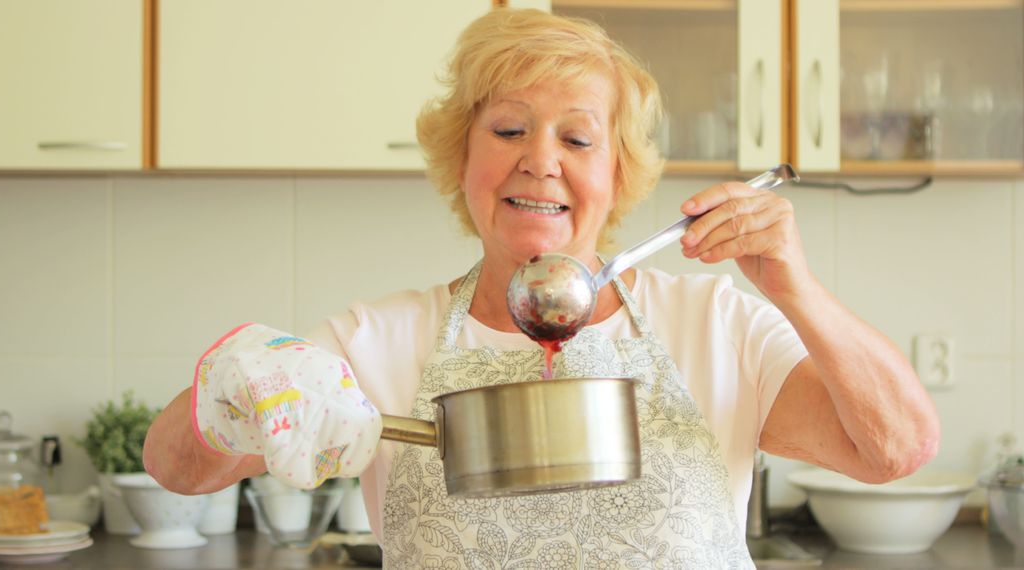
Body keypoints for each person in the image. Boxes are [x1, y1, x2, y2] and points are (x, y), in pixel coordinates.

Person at [143, 8, 940, 569]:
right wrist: (239, 380)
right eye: (509, 129)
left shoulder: (715, 325)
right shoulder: (377, 344)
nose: (541, 160)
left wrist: (793, 285)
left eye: (579, 137)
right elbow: (174, 466)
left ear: (619, 173)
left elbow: (895, 449)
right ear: (463, 159)